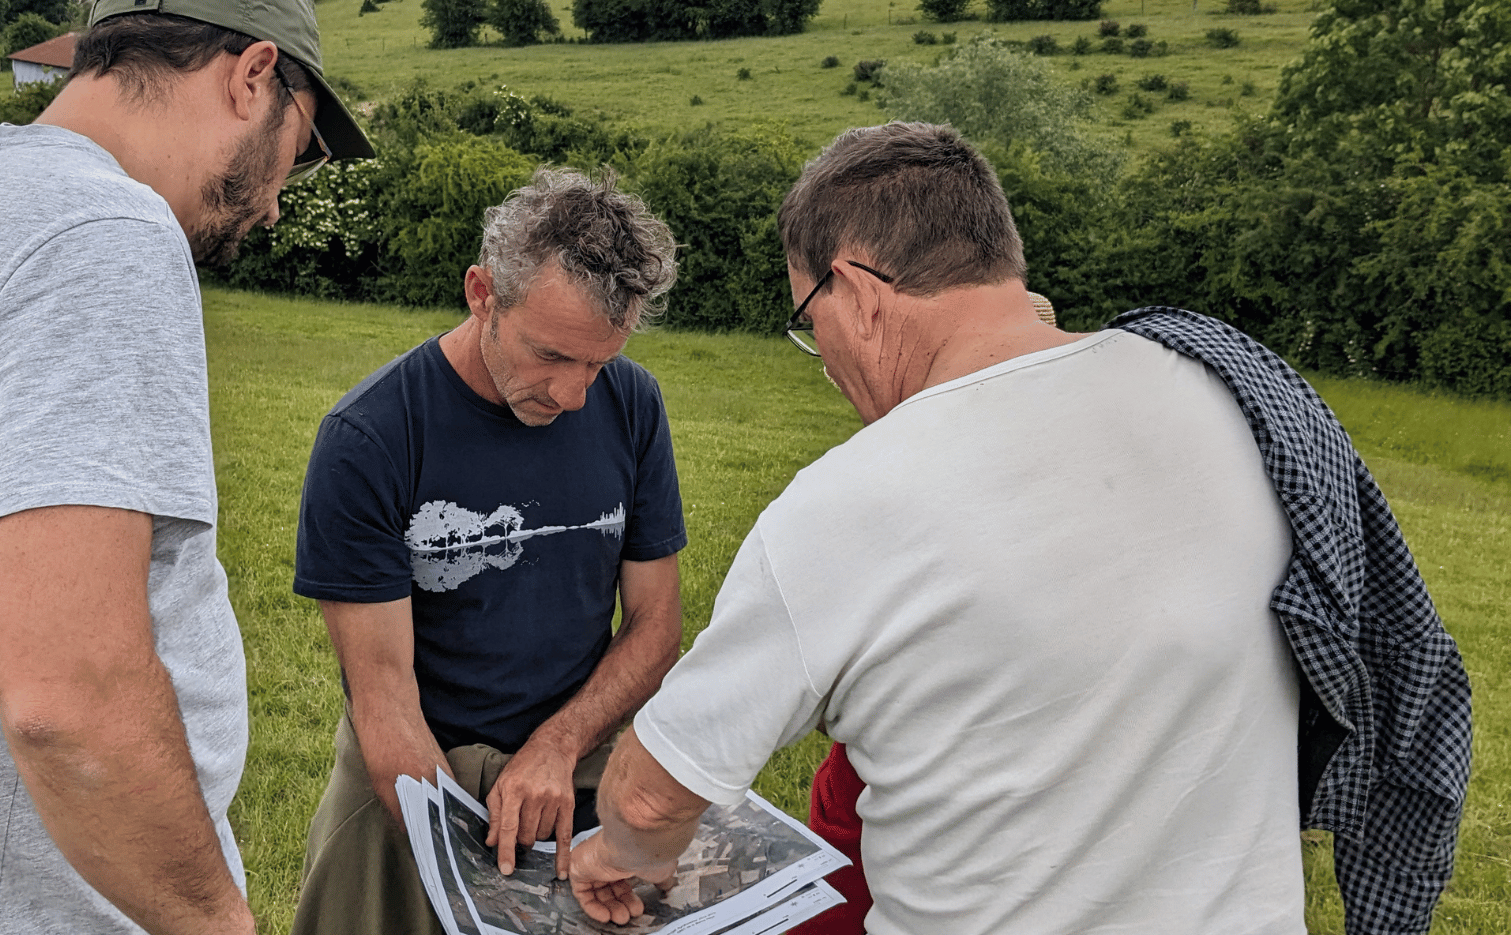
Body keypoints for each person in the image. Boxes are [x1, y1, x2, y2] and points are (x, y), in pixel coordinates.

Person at [567, 122, 1471, 935]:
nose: (826, 361)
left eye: (811, 323)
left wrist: (623, 858)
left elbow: (651, 797)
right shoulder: (1234, 401)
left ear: (855, 289)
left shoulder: (844, 505)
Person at [0, 0, 374, 932]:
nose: (280, 198)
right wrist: (216, 922)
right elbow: (68, 691)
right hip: (45, 907)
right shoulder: (100, 235)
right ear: (253, 76)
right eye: (303, 148)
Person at [289, 167, 686, 935]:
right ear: (481, 293)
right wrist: (478, 890)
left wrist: (558, 747)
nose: (573, 395)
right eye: (551, 356)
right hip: (414, 773)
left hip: (578, 755)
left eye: (596, 363)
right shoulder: (370, 439)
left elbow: (655, 628)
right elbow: (385, 703)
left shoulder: (633, 404)